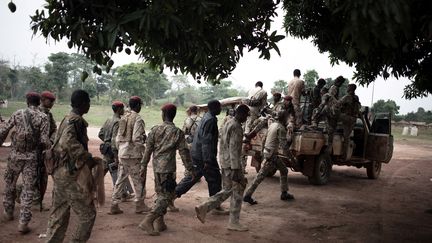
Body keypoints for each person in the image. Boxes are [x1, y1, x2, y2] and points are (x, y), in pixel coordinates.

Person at [45, 90, 104, 242]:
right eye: (89, 102)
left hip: (60, 174)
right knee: (88, 214)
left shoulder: (67, 118)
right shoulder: (75, 120)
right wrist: (87, 158)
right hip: (69, 176)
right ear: (83, 103)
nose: (89, 105)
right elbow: (67, 142)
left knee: (59, 215)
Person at [138, 104, 194, 236]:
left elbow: (148, 150)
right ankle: (148, 220)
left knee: (160, 194)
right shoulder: (177, 132)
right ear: (173, 115)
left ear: (163, 115)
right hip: (168, 169)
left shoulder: (155, 130)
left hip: (156, 167)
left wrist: (143, 165)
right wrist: (190, 169)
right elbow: (184, 152)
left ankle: (160, 222)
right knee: (166, 196)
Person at [0, 92, 50, 234]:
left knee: (10, 183)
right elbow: (44, 140)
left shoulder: (17, 113)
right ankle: (23, 223)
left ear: (27, 101)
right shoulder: (43, 117)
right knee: (28, 189)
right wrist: (48, 149)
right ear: (39, 102)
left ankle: (8, 212)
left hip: (15, 155)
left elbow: (4, 130)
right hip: (32, 157)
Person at [195, 104, 250, 231]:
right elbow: (234, 149)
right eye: (246, 115)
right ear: (241, 113)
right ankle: (233, 222)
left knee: (227, 190)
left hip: (225, 162)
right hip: (232, 165)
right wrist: (236, 169)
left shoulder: (227, 122)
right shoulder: (236, 126)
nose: (246, 118)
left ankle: (205, 206)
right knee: (238, 190)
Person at [175, 100, 227, 214]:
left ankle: (171, 196)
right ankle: (214, 206)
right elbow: (206, 141)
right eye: (219, 107)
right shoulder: (210, 120)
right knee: (215, 179)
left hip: (197, 153)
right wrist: (208, 160)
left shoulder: (206, 117)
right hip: (204, 156)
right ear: (215, 108)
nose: (220, 109)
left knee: (192, 177)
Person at [243, 110, 295, 205]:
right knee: (260, 176)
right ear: (284, 118)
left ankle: (284, 192)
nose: (288, 120)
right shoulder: (281, 128)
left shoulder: (272, 125)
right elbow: (284, 147)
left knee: (284, 170)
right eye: (287, 118)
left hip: (269, 153)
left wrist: (264, 152)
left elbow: (264, 140)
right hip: (272, 155)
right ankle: (247, 195)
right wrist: (292, 158)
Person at [109, 96, 149, 215]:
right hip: (133, 154)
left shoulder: (124, 117)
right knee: (138, 179)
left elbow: (117, 138)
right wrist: (144, 149)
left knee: (121, 179)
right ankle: (139, 204)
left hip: (122, 152)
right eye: (140, 105)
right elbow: (136, 138)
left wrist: (120, 149)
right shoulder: (137, 118)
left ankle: (114, 204)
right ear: (137, 106)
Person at [98, 101, 133, 201]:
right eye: (122, 108)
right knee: (118, 172)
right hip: (112, 151)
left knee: (103, 172)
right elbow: (115, 140)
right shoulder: (118, 121)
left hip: (106, 150)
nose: (124, 110)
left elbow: (100, 133)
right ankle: (121, 194)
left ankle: (91, 191)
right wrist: (116, 155)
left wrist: (106, 141)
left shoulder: (109, 120)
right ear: (118, 110)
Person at [337, 84, 361, 159]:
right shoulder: (356, 97)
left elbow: (338, 104)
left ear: (350, 88)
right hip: (353, 119)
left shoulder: (347, 97)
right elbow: (358, 107)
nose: (347, 88)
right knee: (347, 136)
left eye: (348, 87)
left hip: (346, 117)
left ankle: (344, 155)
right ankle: (345, 154)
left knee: (334, 115)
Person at [311, 87, 338, 153]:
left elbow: (322, 104)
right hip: (333, 118)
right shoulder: (335, 100)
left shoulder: (326, 95)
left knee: (316, 111)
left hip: (328, 113)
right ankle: (329, 148)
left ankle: (314, 124)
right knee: (330, 132)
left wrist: (316, 113)